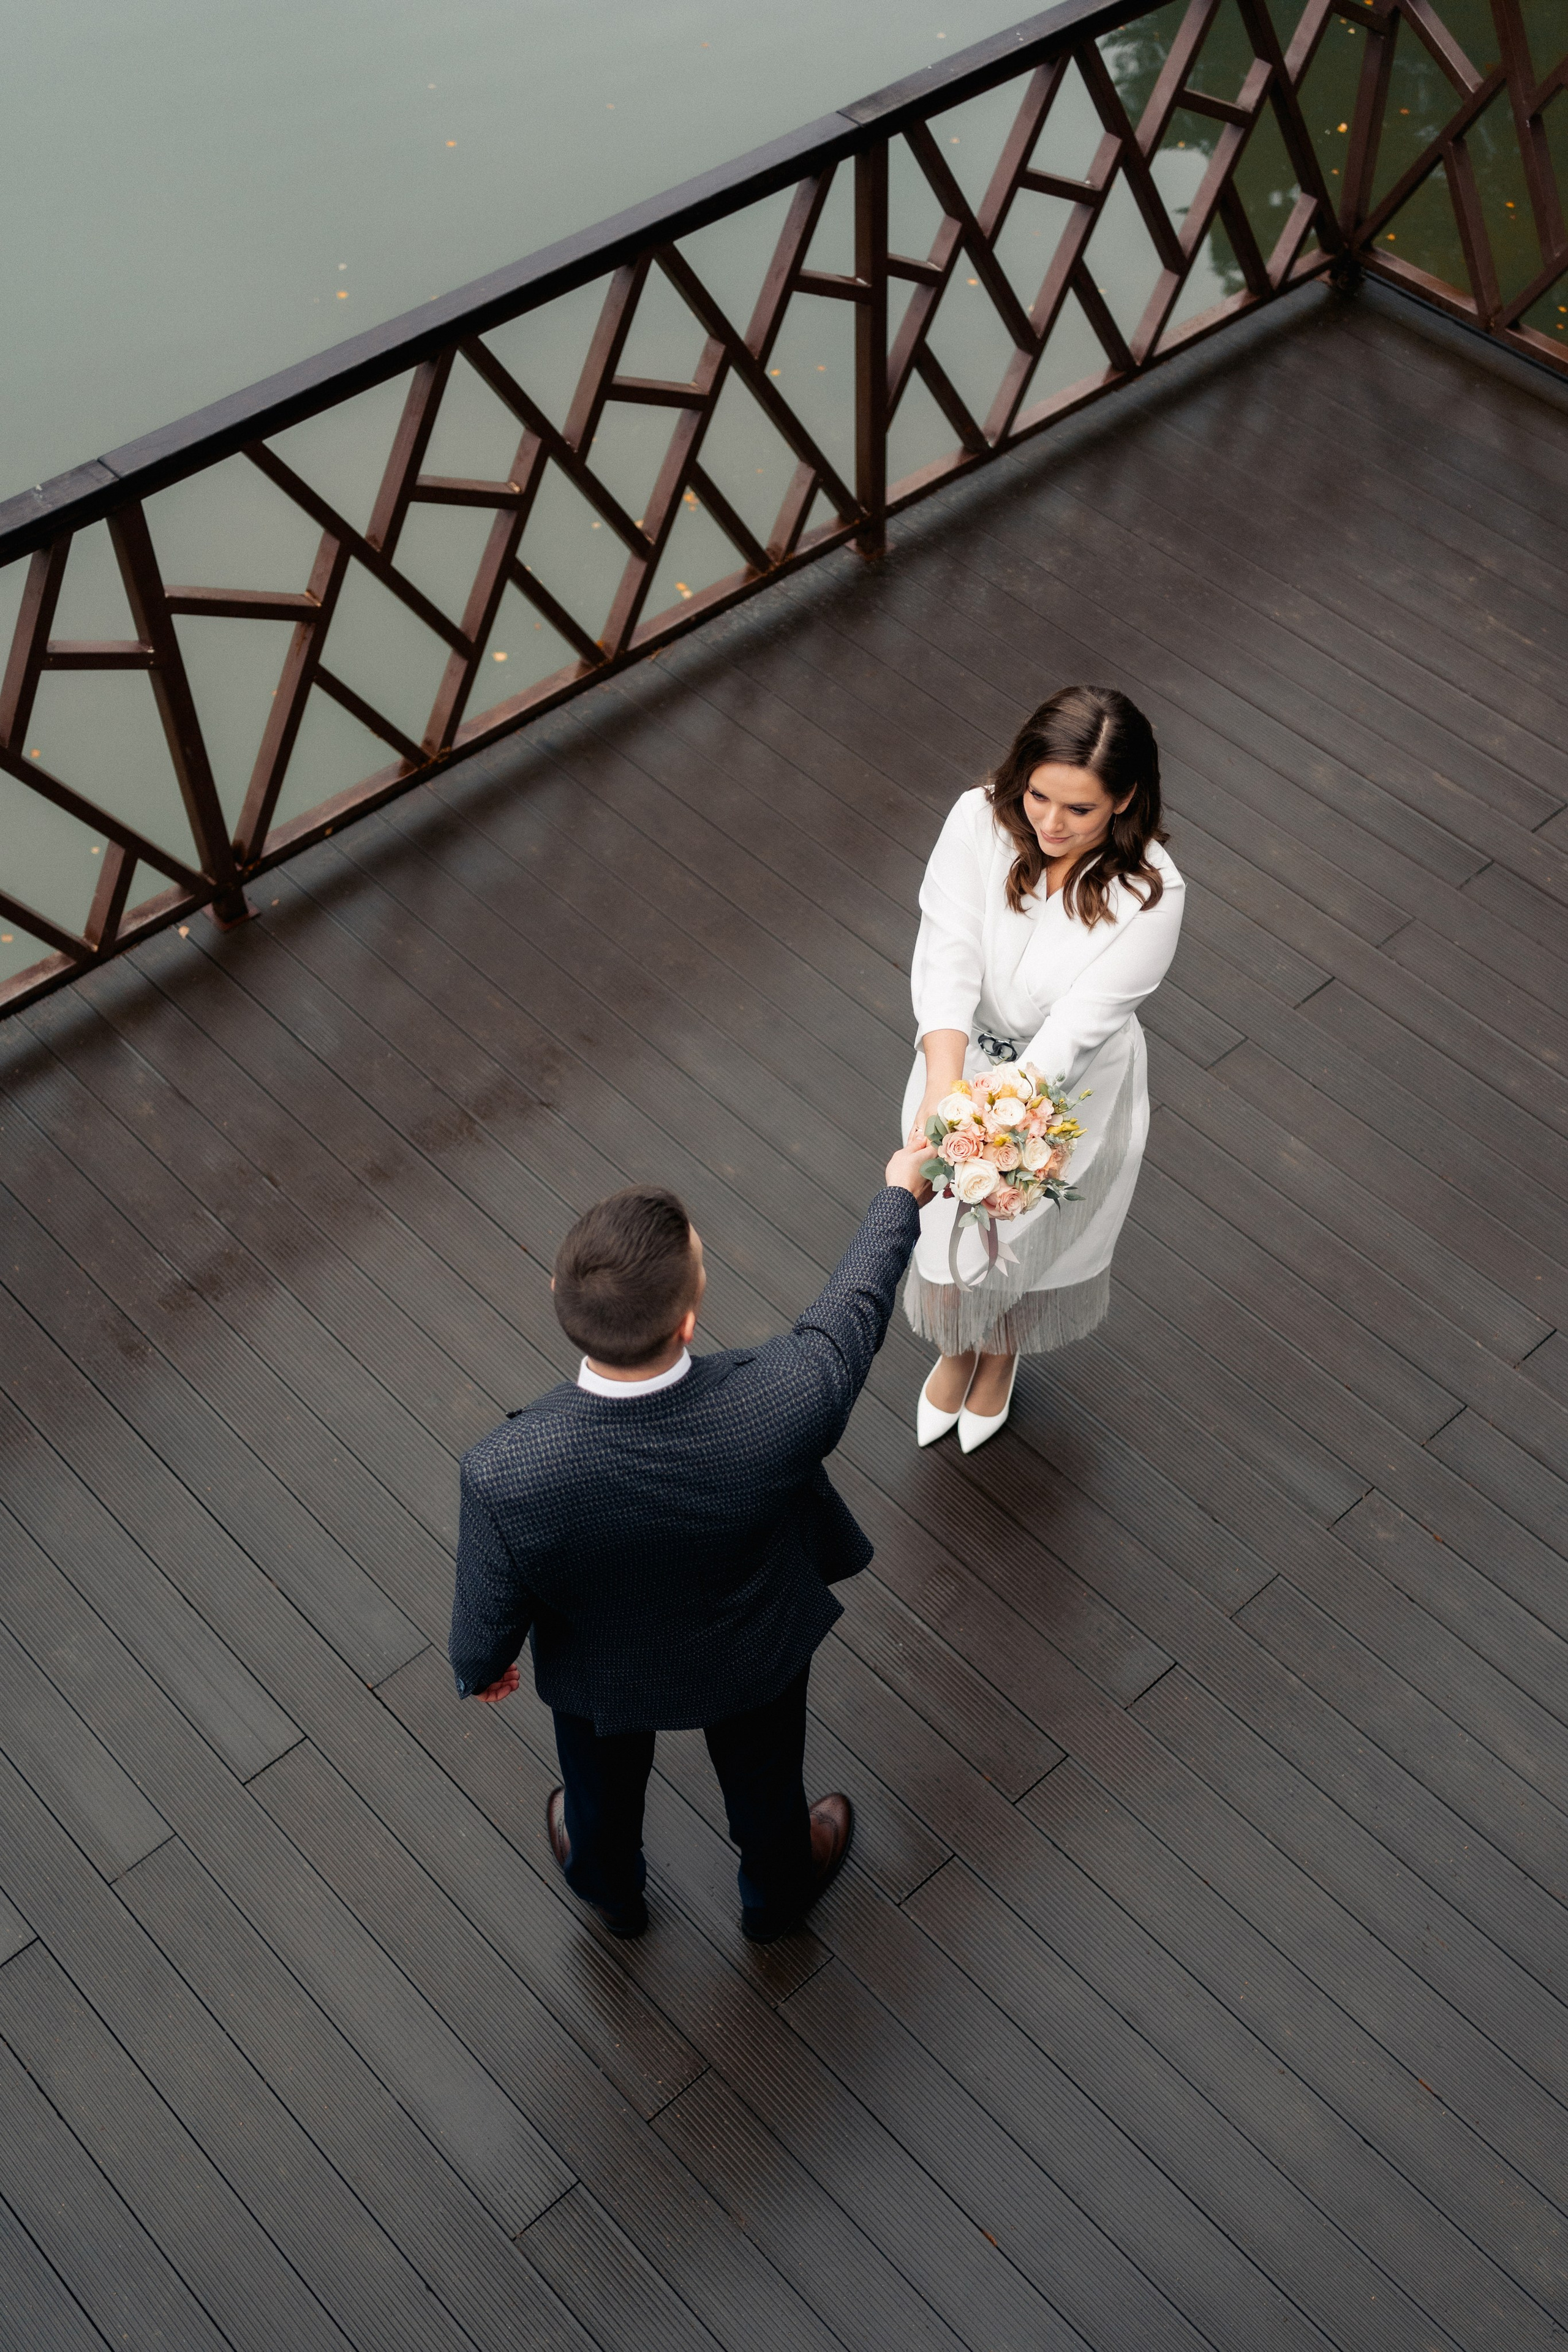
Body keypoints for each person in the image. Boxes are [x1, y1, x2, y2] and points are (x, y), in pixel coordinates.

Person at [448, 1145, 931, 1943]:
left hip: (602, 1674)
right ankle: (776, 1892)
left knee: (596, 1793)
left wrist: (483, 1664)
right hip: (753, 1653)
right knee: (767, 1782)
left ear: (557, 1299)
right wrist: (898, 1198)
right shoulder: (785, 1400)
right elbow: (853, 1311)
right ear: (688, 1318)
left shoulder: (506, 1470)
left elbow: (485, 1610)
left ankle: (610, 1889)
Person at [904, 684, 1184, 1452]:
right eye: (1037, 797)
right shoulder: (974, 818)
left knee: (1032, 1231)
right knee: (945, 1225)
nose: (1051, 825)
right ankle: (956, 1347)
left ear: (1124, 800)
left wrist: (994, 1126)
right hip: (956, 1069)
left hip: (1071, 1094)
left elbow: (1076, 1032)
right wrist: (943, 1103)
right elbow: (948, 959)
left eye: (1080, 811)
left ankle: (1001, 1356)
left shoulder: (1153, 893)